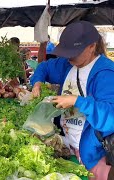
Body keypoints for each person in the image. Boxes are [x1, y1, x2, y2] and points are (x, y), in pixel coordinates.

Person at [31, 21, 114, 179]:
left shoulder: (106, 73)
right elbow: (44, 67)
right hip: (66, 146)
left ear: (92, 46)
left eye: (73, 52)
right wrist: (37, 82)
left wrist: (77, 101)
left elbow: (111, 116)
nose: (68, 57)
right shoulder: (67, 65)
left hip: (92, 157)